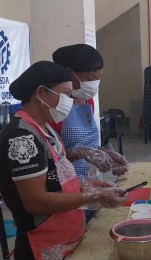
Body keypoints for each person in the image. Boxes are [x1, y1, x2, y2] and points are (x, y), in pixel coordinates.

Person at [0, 61, 127, 259]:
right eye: (66, 94)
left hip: (65, 239)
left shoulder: (45, 127)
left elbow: (55, 179)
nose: (69, 100)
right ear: (41, 93)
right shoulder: (21, 137)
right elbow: (36, 202)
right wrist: (94, 197)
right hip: (43, 246)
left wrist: (89, 186)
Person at [50, 44, 128, 181]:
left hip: (91, 179)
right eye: (90, 79)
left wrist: (107, 153)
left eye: (99, 78)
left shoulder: (87, 101)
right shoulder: (54, 108)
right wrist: (83, 153)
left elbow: (88, 145)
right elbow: (50, 156)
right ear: (69, 73)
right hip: (65, 184)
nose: (95, 84)